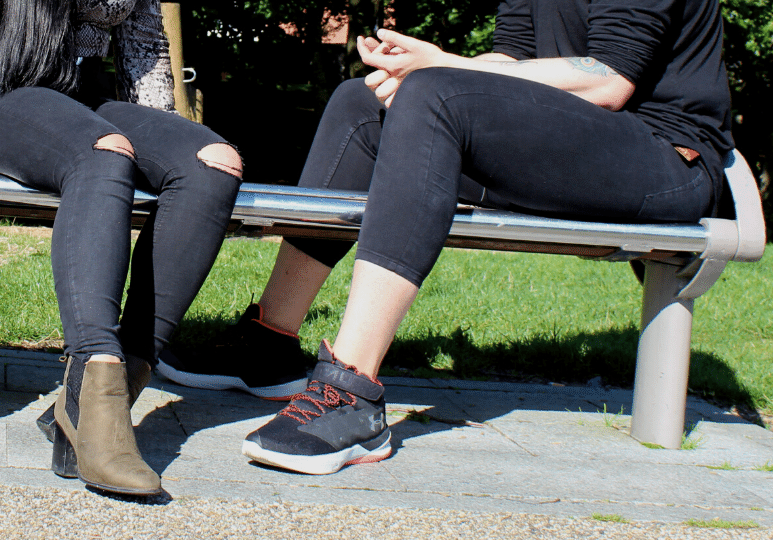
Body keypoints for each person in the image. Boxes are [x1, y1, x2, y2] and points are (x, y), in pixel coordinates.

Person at [157, 0, 733, 475]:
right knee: (362, 104)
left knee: (435, 93)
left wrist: (443, 67)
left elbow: (608, 80)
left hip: (664, 158)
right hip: (573, 141)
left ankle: (351, 393)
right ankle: (270, 345)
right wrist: (416, 64)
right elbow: (509, 58)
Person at [0, 0, 245, 495]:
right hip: (2, 98)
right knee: (104, 151)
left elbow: (146, 50)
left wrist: (164, 139)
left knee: (214, 161)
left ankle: (99, 399)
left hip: (87, 103)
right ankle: (96, 370)